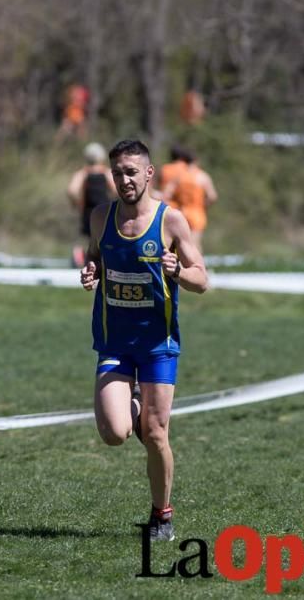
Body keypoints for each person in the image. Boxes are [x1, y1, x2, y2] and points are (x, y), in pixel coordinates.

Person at [79, 139, 209, 542]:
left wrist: (178, 272)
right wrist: (90, 271)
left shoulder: (171, 222)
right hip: (115, 343)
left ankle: (162, 516)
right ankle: (134, 402)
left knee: (154, 433)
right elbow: (95, 257)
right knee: (115, 433)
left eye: (132, 172)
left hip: (157, 344)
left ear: (149, 174)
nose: (125, 180)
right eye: (118, 173)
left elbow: (202, 279)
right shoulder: (101, 217)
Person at [67, 142, 116, 267]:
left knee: (90, 238)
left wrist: (76, 203)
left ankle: (84, 259)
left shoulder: (83, 173)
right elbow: (117, 190)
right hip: (105, 211)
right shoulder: (106, 173)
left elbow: (72, 190)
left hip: (88, 211)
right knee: (105, 236)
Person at [161, 146, 218, 252]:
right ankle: (199, 267)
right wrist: (204, 205)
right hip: (197, 212)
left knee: (181, 243)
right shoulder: (202, 176)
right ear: (196, 161)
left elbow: (167, 194)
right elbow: (212, 196)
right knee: (195, 243)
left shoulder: (179, 176)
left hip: (182, 211)